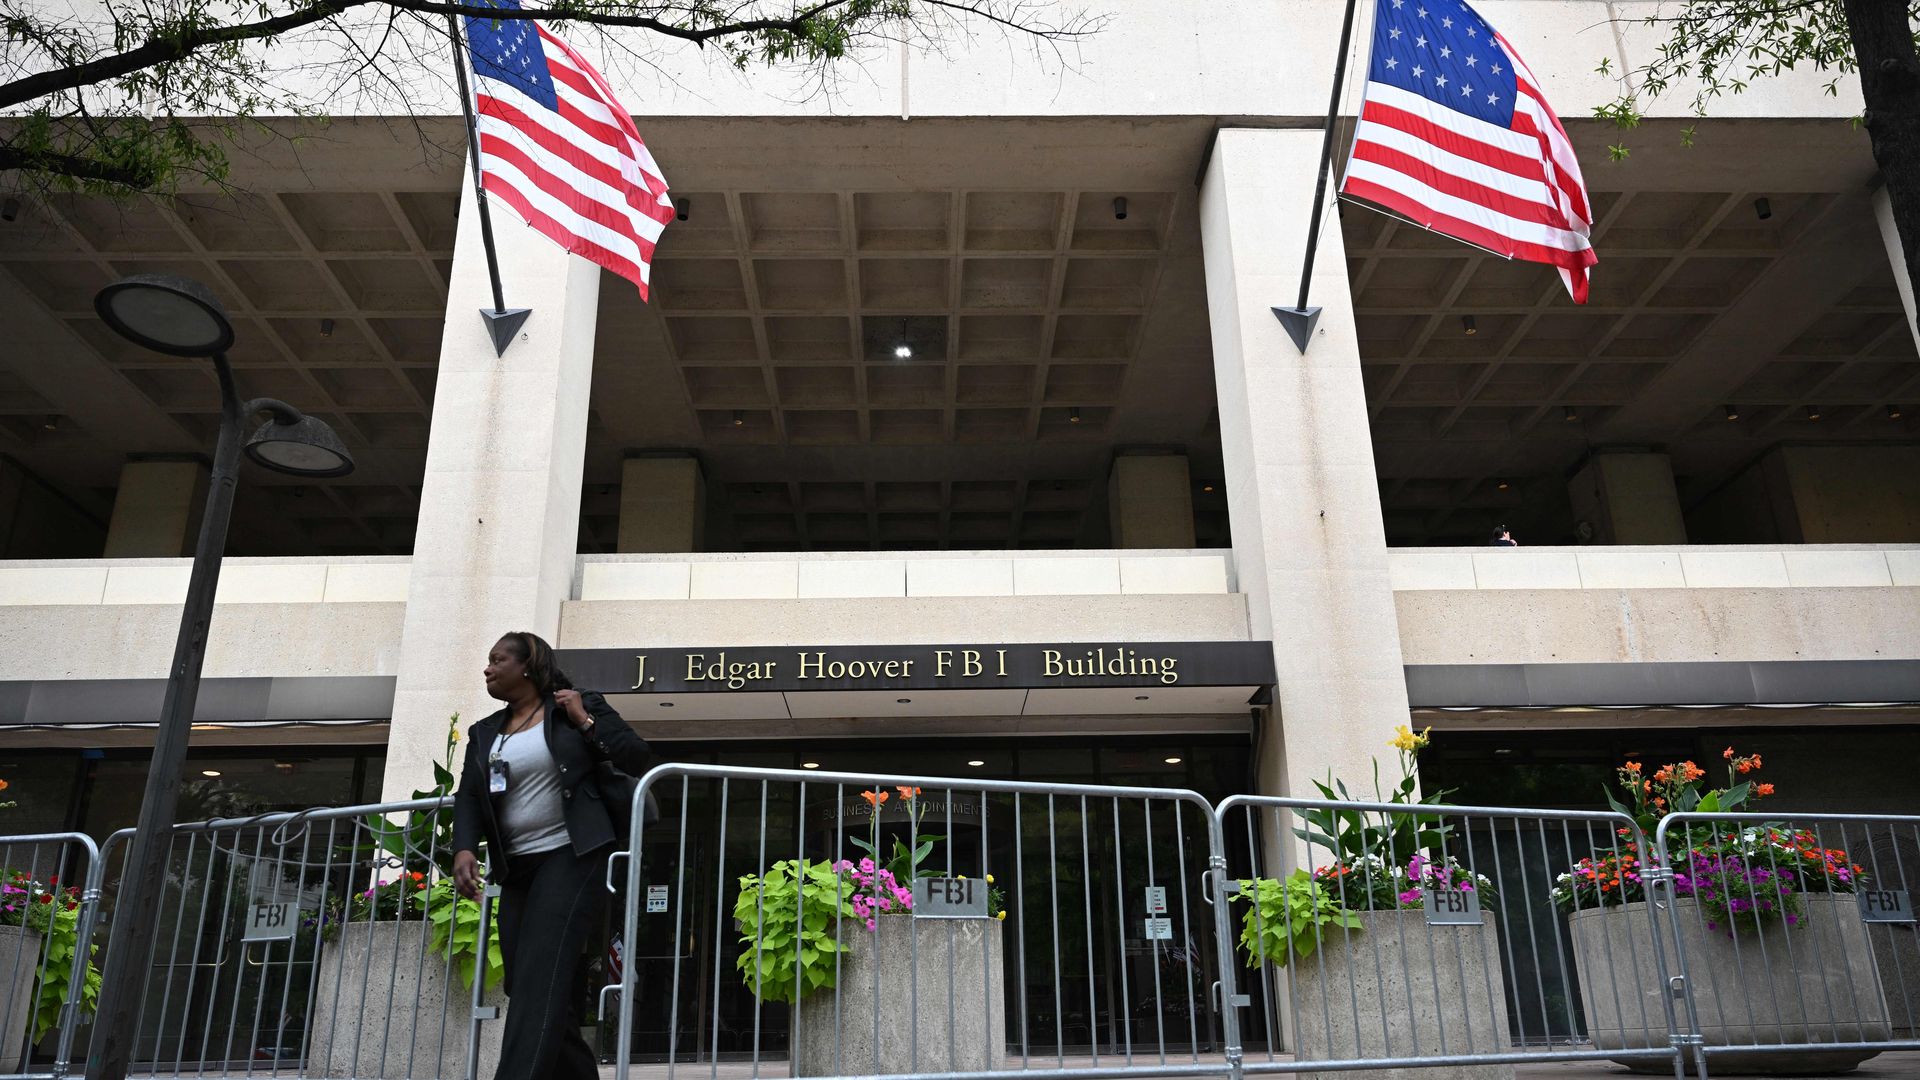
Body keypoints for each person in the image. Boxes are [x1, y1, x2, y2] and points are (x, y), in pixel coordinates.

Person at [452, 631, 650, 1080]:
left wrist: (585, 721)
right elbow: (469, 795)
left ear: (527, 665)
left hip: (572, 855)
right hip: (517, 867)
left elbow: (636, 757)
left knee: (539, 977)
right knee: (525, 983)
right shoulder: (485, 732)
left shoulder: (574, 706)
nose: (487, 668)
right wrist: (464, 847)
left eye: (497, 659)